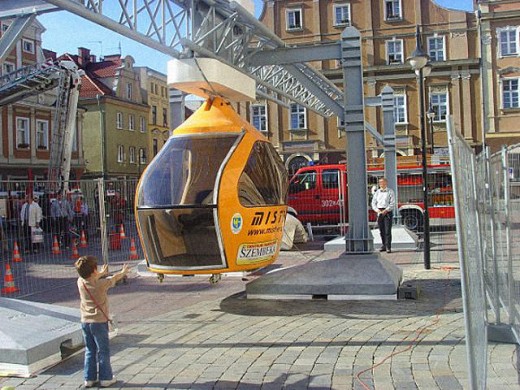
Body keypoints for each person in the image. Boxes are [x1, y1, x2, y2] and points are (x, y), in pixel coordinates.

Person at [75, 255, 129, 388]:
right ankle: (106, 377)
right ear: (94, 271)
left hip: (85, 321)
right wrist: (122, 273)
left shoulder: (80, 282)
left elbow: (91, 278)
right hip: (99, 321)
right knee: (103, 350)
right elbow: (113, 279)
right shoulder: (101, 284)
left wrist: (101, 273)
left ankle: (89, 378)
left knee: (89, 350)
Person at [371, 177, 395, 253]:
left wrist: (386, 210)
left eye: (383, 182)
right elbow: (373, 203)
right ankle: (384, 245)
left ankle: (388, 247)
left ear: (386, 183)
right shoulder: (377, 192)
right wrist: (377, 210)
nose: (381, 184)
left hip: (387, 212)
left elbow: (392, 203)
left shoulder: (390, 191)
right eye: (380, 183)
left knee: (387, 230)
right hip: (379, 212)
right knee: (381, 230)